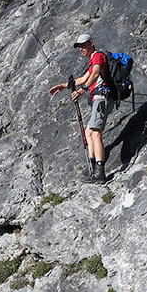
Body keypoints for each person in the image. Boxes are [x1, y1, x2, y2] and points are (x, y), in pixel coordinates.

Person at [49, 33, 110, 183]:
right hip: (98, 97)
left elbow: (95, 74)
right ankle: (93, 166)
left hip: (102, 97)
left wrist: (83, 90)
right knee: (89, 132)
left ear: (91, 43)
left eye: (83, 45)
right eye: (79, 47)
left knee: (95, 133)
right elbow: (83, 78)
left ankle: (100, 172)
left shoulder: (97, 56)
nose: (81, 49)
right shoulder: (92, 60)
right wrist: (64, 86)